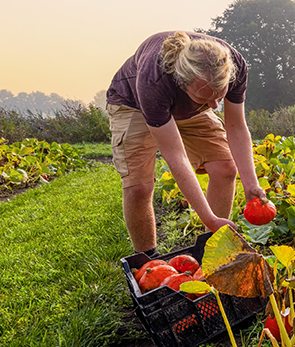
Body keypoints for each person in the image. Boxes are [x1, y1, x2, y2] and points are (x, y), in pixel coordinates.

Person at [104, 31, 267, 258]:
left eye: (219, 95)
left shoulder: (233, 65)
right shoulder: (155, 81)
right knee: (139, 187)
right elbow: (175, 155)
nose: (214, 106)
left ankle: (211, 253)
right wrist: (208, 218)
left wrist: (251, 185)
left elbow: (237, 127)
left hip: (189, 107)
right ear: (182, 83)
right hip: (133, 104)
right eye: (205, 98)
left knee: (225, 167)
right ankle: (148, 263)